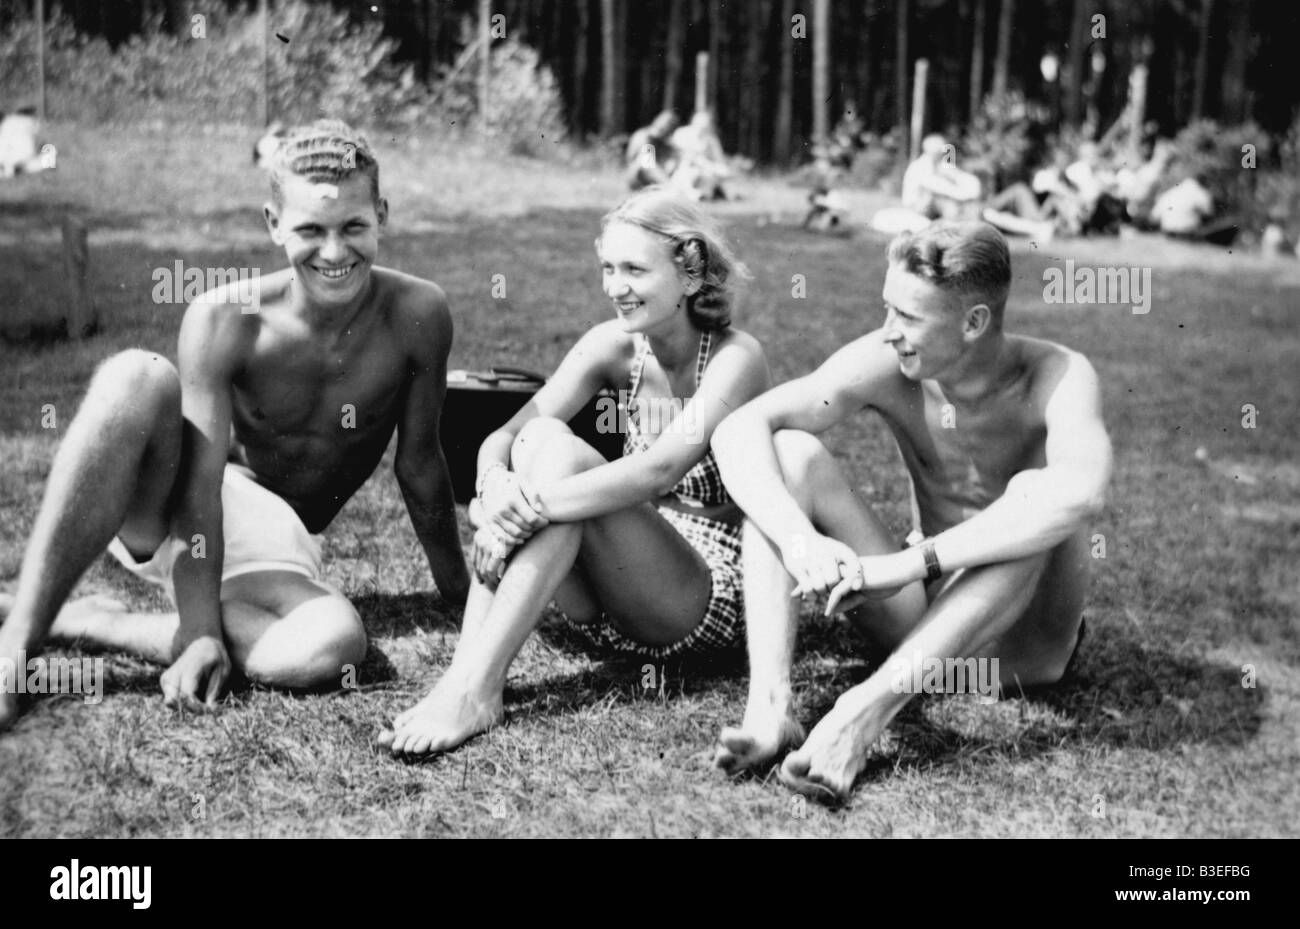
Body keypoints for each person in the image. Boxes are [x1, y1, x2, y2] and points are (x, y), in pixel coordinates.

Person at [0, 120, 469, 731]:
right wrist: (198, 633)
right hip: (180, 508)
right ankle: (18, 639)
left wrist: (460, 593)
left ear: (382, 215)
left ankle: (95, 621)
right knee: (133, 375)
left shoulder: (420, 313)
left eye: (353, 226)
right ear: (273, 223)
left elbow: (421, 463)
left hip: (270, 542)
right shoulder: (226, 316)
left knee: (330, 644)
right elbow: (199, 485)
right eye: (309, 230)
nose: (334, 252)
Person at [711, 221, 1112, 801]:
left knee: (1033, 499)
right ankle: (770, 707)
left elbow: (1081, 495)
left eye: (910, 318)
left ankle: (861, 717)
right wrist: (800, 540)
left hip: (1020, 651)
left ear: (974, 323)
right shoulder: (887, 361)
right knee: (791, 454)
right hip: (923, 625)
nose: (889, 332)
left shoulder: (1058, 375)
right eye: (886, 309)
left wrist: (902, 566)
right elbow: (740, 428)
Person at [379, 186, 769, 757]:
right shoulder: (612, 346)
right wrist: (494, 486)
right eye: (607, 267)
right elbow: (504, 437)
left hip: (696, 599)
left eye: (635, 269)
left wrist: (519, 515)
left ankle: (477, 689)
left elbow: (660, 471)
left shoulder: (737, 358)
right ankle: (463, 680)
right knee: (543, 439)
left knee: (562, 461)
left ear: (689, 275)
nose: (615, 287)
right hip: (604, 597)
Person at [670, 110, 732, 201]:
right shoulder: (681, 134)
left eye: (706, 124)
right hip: (681, 171)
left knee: (712, 175)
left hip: (705, 173)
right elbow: (679, 158)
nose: (703, 127)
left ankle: (702, 194)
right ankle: (693, 194)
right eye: (701, 123)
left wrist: (712, 167)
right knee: (690, 172)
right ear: (693, 122)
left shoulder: (711, 140)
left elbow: (720, 162)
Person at [625, 111, 681, 191]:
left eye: (670, 125)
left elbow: (675, 158)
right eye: (665, 123)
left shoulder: (663, 143)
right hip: (636, 178)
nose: (665, 127)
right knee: (645, 161)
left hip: (654, 180)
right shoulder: (643, 135)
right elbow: (647, 164)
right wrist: (668, 183)